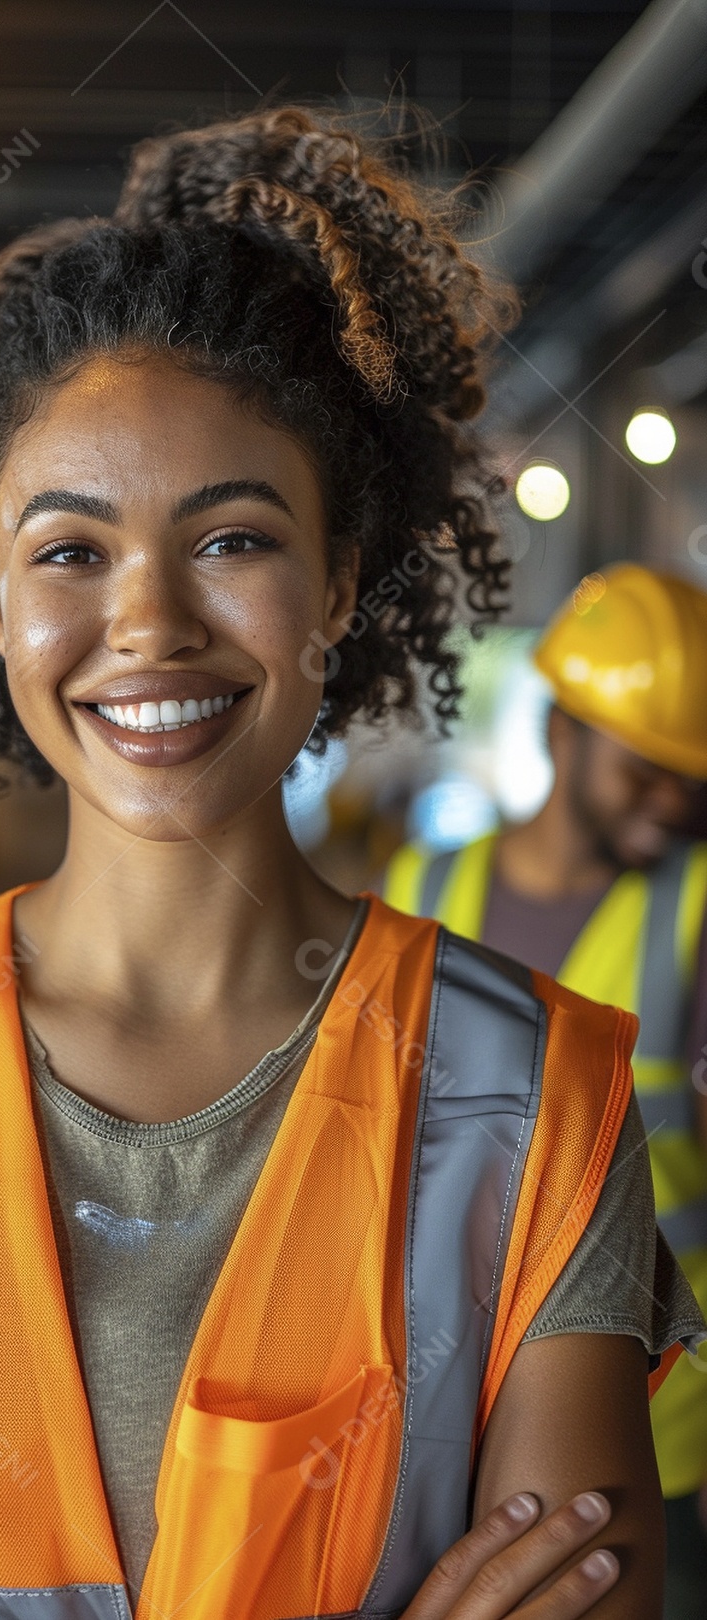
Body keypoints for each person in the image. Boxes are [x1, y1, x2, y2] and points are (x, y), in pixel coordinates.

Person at [0, 108, 702, 1620]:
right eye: (71, 551)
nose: (149, 624)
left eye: (233, 541)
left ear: (338, 580)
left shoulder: (536, 1098)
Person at [384, 562, 707, 1617]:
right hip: (451, 1420)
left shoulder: (700, 909)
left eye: (692, 780)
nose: (673, 803)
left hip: (670, 1434)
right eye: (645, 770)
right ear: (563, 731)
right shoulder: (421, 891)